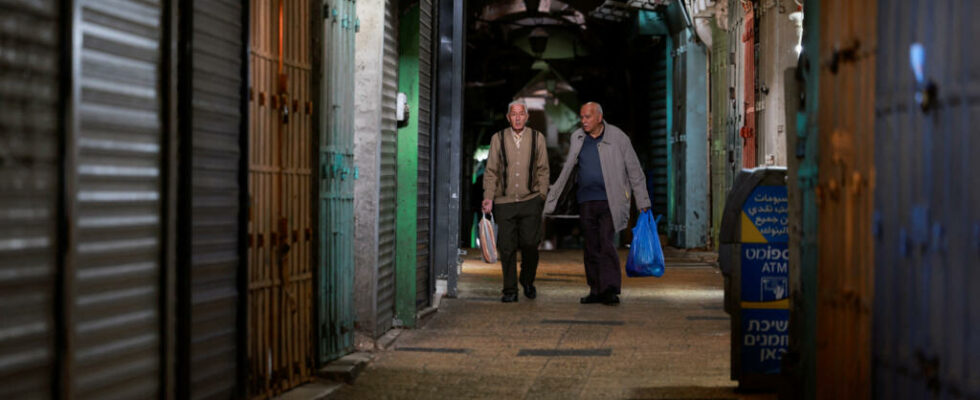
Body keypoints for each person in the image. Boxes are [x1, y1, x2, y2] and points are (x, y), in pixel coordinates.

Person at [543, 102, 650, 305]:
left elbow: (634, 170)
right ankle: (595, 289)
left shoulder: (618, 137)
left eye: (588, 117)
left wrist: (642, 200)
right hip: (586, 201)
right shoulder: (578, 138)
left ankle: (610, 289)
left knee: (606, 243)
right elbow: (568, 170)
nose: (583, 121)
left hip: (611, 200)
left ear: (599, 117)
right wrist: (555, 196)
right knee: (591, 246)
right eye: (582, 117)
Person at [483, 101, 550, 303]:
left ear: (527, 116)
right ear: (508, 117)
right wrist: (488, 197)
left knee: (531, 244)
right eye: (514, 114)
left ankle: (527, 280)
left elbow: (543, 169)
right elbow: (491, 171)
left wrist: (542, 195)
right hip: (504, 202)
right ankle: (510, 289)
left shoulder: (538, 138)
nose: (518, 117)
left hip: (531, 200)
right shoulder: (498, 138)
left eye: (522, 114)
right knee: (506, 247)